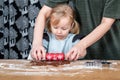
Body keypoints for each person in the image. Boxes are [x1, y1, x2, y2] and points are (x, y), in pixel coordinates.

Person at [30, 0, 120, 61]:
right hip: (81, 57)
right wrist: (37, 44)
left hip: (112, 54)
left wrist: (80, 45)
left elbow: (106, 23)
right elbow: (44, 13)